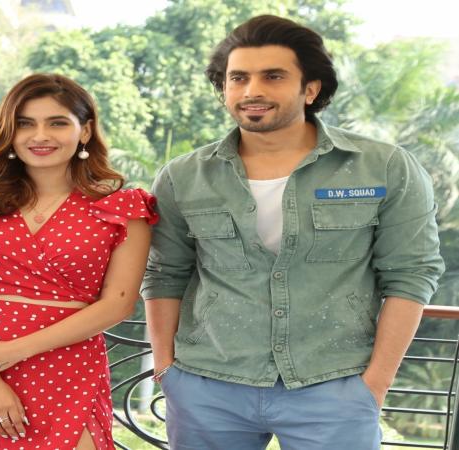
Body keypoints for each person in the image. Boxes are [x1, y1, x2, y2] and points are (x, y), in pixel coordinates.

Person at [141, 15, 445, 450]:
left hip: (335, 386)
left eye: (273, 76)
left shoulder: (384, 166)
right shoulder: (183, 177)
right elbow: (164, 275)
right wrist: (168, 371)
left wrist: (374, 384)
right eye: (238, 78)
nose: (252, 91)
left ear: (311, 88)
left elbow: (411, 274)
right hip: (207, 388)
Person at [0, 73, 157, 450]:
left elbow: (119, 303)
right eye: (25, 123)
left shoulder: (122, 208)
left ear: (85, 131)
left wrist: (11, 352)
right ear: (9, 133)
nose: (40, 136)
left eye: (58, 123)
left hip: (69, 369)